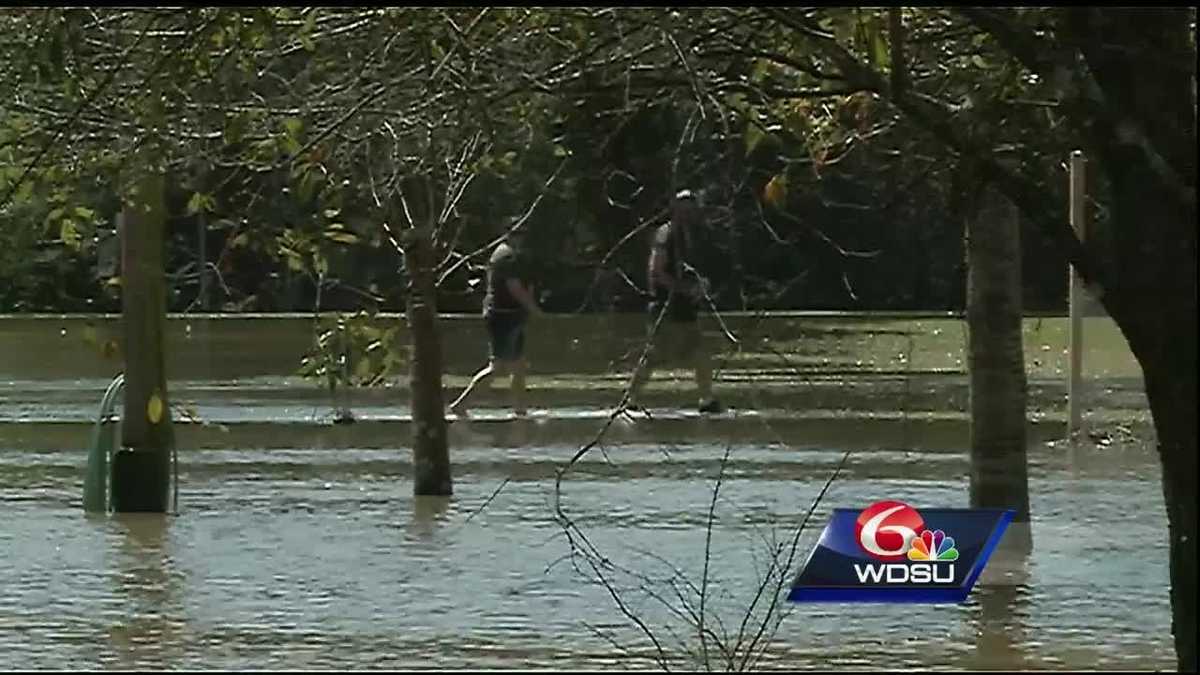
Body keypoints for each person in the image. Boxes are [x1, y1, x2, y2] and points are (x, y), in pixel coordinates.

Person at [629, 189, 722, 413]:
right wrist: (683, 289)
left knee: (699, 349)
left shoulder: (691, 235)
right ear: (675, 208)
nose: (689, 210)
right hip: (664, 305)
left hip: (683, 305)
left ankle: (706, 399)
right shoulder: (665, 234)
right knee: (654, 355)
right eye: (684, 206)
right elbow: (656, 271)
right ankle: (630, 400)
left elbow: (690, 269)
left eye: (692, 205)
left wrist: (700, 285)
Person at [448, 219, 543, 417]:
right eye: (518, 233)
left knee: (518, 365)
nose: (522, 238)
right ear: (508, 234)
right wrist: (534, 309)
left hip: (512, 316)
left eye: (523, 233)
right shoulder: (506, 256)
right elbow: (514, 287)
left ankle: (520, 411)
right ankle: (460, 404)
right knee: (498, 368)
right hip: (503, 317)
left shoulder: (511, 255)